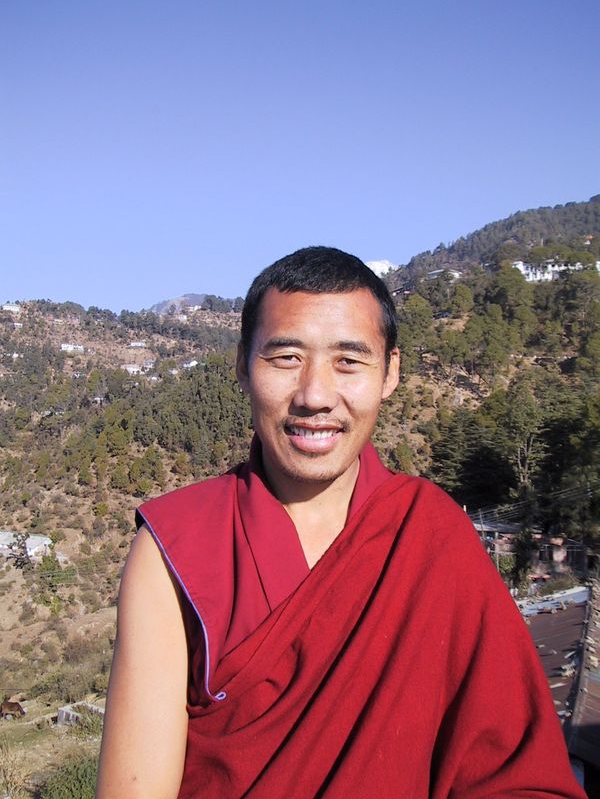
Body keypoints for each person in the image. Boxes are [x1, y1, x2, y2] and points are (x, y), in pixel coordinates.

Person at [96, 247, 585, 798]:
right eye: (286, 358)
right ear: (242, 365)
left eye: (349, 361)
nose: (315, 396)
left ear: (390, 372)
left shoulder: (430, 534)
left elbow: (513, 770)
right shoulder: (176, 545)